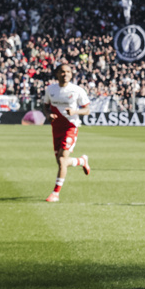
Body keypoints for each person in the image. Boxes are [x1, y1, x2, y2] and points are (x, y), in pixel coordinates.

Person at [40, 63, 93, 202]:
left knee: (62, 160)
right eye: (62, 72)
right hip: (56, 128)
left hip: (70, 127)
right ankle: (82, 160)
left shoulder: (77, 90)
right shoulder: (50, 89)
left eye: (68, 72)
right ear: (57, 74)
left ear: (71, 74)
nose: (65, 74)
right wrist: (48, 115)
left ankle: (55, 193)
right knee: (61, 162)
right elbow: (45, 106)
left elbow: (87, 110)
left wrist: (75, 111)